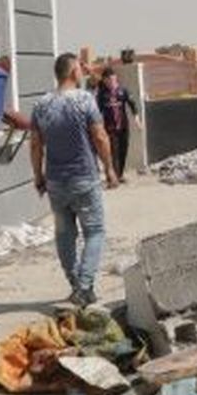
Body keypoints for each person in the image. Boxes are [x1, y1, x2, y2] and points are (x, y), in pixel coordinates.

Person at [30, 53, 118, 307]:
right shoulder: (84, 100)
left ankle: (76, 283)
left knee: (64, 235)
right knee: (95, 231)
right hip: (84, 178)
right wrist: (110, 169)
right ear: (72, 73)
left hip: (56, 182)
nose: (82, 72)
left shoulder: (41, 105)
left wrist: (38, 176)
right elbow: (100, 137)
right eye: (80, 69)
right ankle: (84, 285)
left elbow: (35, 144)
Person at [94, 66, 140, 182]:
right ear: (104, 81)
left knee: (123, 150)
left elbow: (132, 104)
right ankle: (114, 176)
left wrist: (137, 120)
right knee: (113, 152)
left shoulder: (123, 91)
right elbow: (97, 112)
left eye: (113, 79)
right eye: (109, 80)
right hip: (110, 128)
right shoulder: (102, 95)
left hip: (123, 126)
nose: (111, 82)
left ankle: (120, 175)